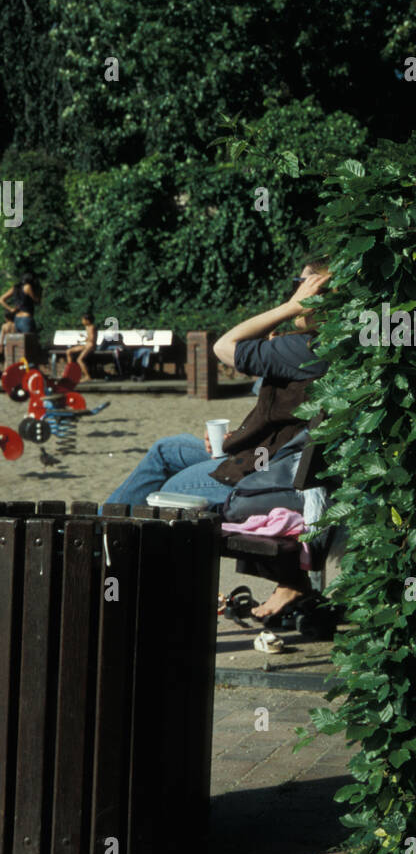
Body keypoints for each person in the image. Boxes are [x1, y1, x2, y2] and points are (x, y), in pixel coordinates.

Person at [106, 260, 332, 620]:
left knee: (163, 489)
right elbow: (283, 418)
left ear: (318, 293)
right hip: (262, 456)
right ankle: (104, 534)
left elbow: (225, 347)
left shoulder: (307, 348)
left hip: (260, 474)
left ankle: (104, 550)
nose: (295, 291)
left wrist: (291, 308)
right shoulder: (326, 346)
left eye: (302, 285)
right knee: (167, 449)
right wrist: (236, 440)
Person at [1, 270, 42, 339]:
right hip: (26, 318)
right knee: (30, 343)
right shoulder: (27, 287)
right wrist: (39, 291)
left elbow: (1, 299)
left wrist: (10, 309)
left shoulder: (15, 287)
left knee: (20, 345)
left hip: (17, 319)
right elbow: (37, 301)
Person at [64, 311, 98, 383]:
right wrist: (82, 339)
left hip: (91, 346)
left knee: (79, 360)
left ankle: (87, 376)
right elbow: (89, 338)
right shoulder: (87, 327)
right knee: (68, 351)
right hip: (86, 345)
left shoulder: (92, 327)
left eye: (83, 320)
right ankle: (70, 373)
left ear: (87, 321)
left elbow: (92, 339)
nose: (82, 321)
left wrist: (85, 338)